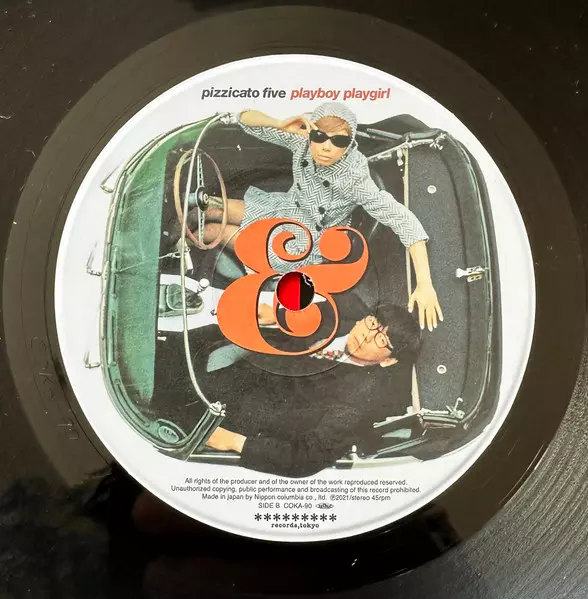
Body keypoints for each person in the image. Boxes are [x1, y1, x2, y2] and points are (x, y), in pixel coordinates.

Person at [172, 102, 442, 331]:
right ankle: (170, 244)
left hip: (302, 240)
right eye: (320, 136)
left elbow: (403, 220)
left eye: (339, 141)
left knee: (212, 232)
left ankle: (177, 254)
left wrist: (425, 284)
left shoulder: (355, 179)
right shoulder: (302, 142)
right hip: (284, 208)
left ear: (349, 144)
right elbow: (245, 119)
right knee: (208, 211)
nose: (326, 147)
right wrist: (278, 123)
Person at [154, 292, 422, 478]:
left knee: (155, 400)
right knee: (158, 350)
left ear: (388, 360)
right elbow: (318, 310)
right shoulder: (346, 311)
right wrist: (277, 316)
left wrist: (235, 442)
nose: (367, 334)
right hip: (243, 356)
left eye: (381, 341)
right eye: (373, 323)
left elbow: (305, 458)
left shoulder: (357, 402)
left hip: (236, 410)